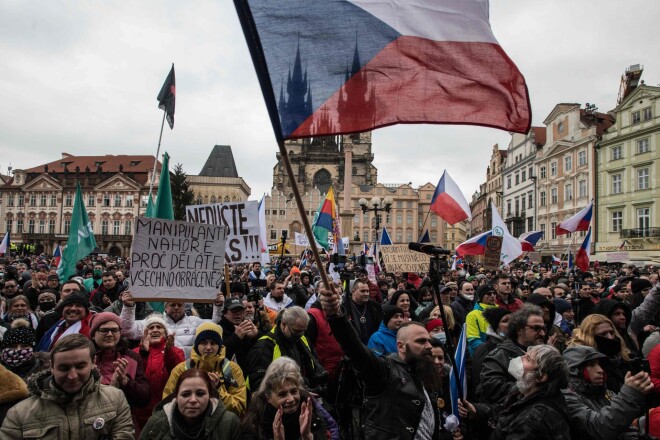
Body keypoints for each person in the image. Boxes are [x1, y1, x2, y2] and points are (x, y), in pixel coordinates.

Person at [319, 285, 450, 439]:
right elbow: (354, 348)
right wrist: (336, 315)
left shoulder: (425, 371)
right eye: (421, 341)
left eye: (428, 340)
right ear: (400, 346)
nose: (429, 346)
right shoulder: (384, 371)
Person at [1, 333, 134, 439]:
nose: (72, 376)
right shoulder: (19, 414)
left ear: (93, 362)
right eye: (64, 368)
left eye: (80, 366)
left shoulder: (115, 399)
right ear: (51, 367)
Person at [462, 344, 571, 440]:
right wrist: (476, 410)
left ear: (541, 377)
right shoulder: (525, 393)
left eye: (528, 359)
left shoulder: (533, 420)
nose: (519, 358)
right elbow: (502, 413)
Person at [562, 345, 653, 440]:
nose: (600, 370)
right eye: (592, 364)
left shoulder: (605, 394)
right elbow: (599, 429)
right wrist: (630, 395)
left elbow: (626, 430)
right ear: (574, 370)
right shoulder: (567, 398)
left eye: (600, 365)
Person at [241, 356, 338, 440]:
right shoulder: (255, 423)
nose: (291, 399)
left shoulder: (307, 408)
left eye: (294, 391)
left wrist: (307, 436)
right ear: (268, 397)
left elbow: (331, 428)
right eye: (282, 394)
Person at [164, 322, 247, 417]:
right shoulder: (181, 369)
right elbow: (168, 405)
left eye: (213, 343)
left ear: (220, 346)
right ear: (196, 345)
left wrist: (218, 390)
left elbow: (239, 408)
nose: (208, 347)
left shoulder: (232, 369)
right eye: (203, 342)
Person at [140, 368, 241, 440]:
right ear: (176, 397)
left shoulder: (229, 423)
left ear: (210, 396)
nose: (193, 400)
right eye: (185, 394)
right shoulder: (156, 422)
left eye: (200, 394)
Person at [246, 306, 327, 393]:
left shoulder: (303, 339)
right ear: (283, 324)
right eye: (296, 331)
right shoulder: (264, 346)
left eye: (303, 331)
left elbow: (312, 367)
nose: (300, 334)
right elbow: (258, 384)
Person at [120, 291, 225, 358]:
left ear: (184, 307)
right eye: (172, 305)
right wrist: (128, 306)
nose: (176, 307)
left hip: (188, 369)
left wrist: (218, 306)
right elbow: (128, 330)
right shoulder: (154, 322)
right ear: (165, 307)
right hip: (161, 370)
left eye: (179, 305)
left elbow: (214, 325)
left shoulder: (195, 321)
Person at [479, 304, 547, 405]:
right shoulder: (498, 357)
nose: (542, 333)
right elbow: (496, 391)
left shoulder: (545, 354)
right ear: (519, 329)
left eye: (543, 329)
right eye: (536, 328)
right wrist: (533, 385)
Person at [133, 314, 185, 435]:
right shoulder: (135, 352)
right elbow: (136, 376)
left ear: (165, 332)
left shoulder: (177, 351)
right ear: (145, 333)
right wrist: (143, 354)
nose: (155, 330)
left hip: (167, 407)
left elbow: (178, 373)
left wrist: (169, 352)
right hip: (141, 410)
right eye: (151, 328)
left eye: (159, 327)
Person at [90, 312, 151, 413]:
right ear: (93, 334)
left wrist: (126, 382)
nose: (109, 334)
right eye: (104, 330)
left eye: (114, 330)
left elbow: (144, 398)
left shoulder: (132, 358)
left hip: (123, 418)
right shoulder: (85, 357)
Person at [569, 314, 631, 393]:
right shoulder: (584, 364)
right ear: (590, 337)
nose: (610, 337)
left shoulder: (622, 359)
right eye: (603, 334)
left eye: (611, 332)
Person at [219, 297, 260, 371]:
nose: (238, 314)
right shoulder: (218, 329)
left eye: (240, 311)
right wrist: (235, 338)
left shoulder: (248, 327)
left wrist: (256, 336)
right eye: (234, 311)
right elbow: (218, 354)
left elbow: (258, 354)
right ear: (225, 312)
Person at [345, 279, 383, 344]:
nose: (366, 294)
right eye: (362, 291)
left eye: (367, 291)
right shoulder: (346, 307)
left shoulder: (375, 306)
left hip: (374, 345)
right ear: (353, 291)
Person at [466, 284, 499, 355]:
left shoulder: (501, 312)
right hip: (482, 357)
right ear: (481, 297)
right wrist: (494, 352)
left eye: (494, 293)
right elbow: (473, 341)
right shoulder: (472, 315)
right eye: (489, 294)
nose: (493, 296)